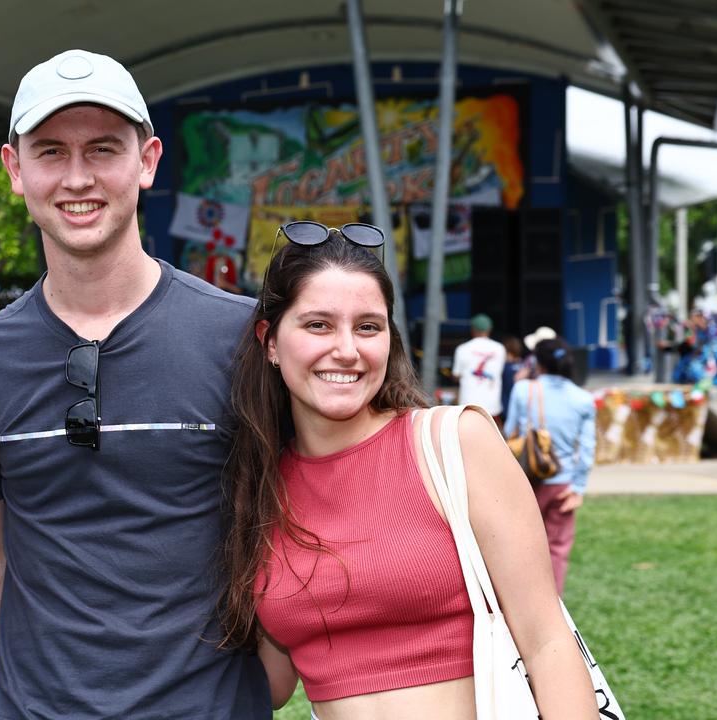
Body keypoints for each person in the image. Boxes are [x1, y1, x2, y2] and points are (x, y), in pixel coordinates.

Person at [0, 49, 269, 718]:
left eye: (103, 149)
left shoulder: (239, 337)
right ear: (14, 169)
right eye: (51, 151)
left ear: (146, 161)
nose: (78, 178)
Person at [218, 226, 596, 717]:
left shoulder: (455, 443)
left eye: (368, 327)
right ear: (269, 341)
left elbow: (547, 642)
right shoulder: (263, 485)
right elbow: (268, 684)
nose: (348, 350)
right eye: (318, 325)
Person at [504, 337, 597, 594]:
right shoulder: (583, 399)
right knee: (556, 548)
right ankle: (552, 609)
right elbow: (587, 448)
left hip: (526, 482)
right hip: (563, 484)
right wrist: (578, 488)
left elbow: (510, 432)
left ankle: (520, 604)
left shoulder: (524, 390)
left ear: (537, 363)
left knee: (521, 546)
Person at [451, 313, 505, 416]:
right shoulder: (500, 348)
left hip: (468, 403)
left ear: (473, 329)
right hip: (492, 404)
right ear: (490, 329)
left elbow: (456, 376)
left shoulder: (462, 349)